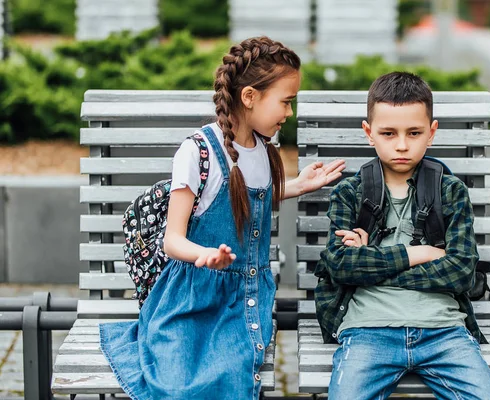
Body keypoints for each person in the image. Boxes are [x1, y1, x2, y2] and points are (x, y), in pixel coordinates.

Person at [99, 36, 345, 400]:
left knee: (231, 375)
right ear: (250, 97)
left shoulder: (263, 148)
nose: (289, 114)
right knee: (177, 384)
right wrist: (203, 255)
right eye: (285, 102)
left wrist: (296, 185)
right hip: (191, 297)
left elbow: (247, 200)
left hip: (243, 298)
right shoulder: (197, 152)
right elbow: (172, 240)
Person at [314, 71, 490, 400]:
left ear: (431, 133)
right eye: (388, 133)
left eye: (414, 133)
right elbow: (341, 266)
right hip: (367, 330)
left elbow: (460, 271)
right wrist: (420, 253)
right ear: (368, 133)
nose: (401, 144)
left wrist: (371, 269)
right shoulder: (350, 193)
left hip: (443, 331)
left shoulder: (450, 191)